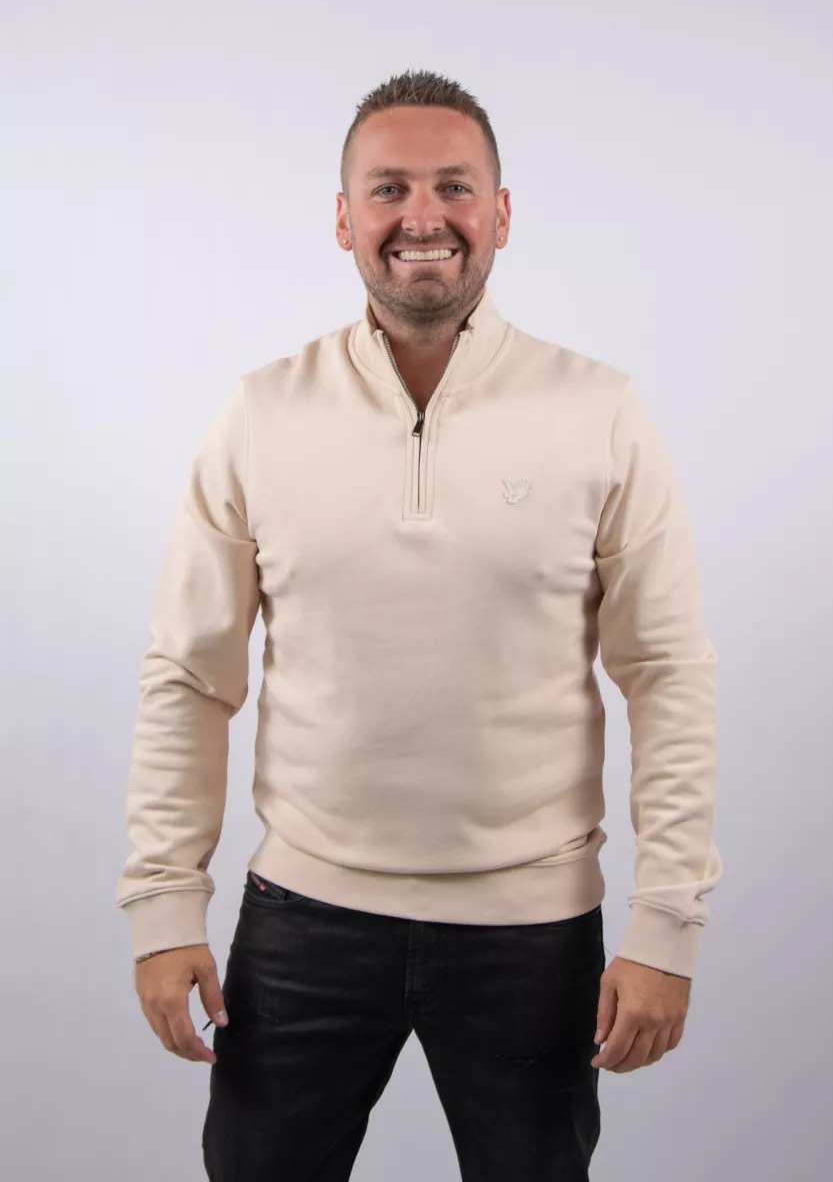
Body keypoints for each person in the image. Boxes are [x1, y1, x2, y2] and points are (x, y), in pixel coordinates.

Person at [117, 68, 723, 1181]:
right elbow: (190, 677)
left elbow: (667, 673)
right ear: (343, 217)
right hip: (302, 917)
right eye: (388, 188)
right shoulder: (261, 413)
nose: (422, 216)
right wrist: (163, 903)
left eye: (454, 185)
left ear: (501, 212)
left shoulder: (597, 411)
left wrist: (667, 925)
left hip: (533, 931)